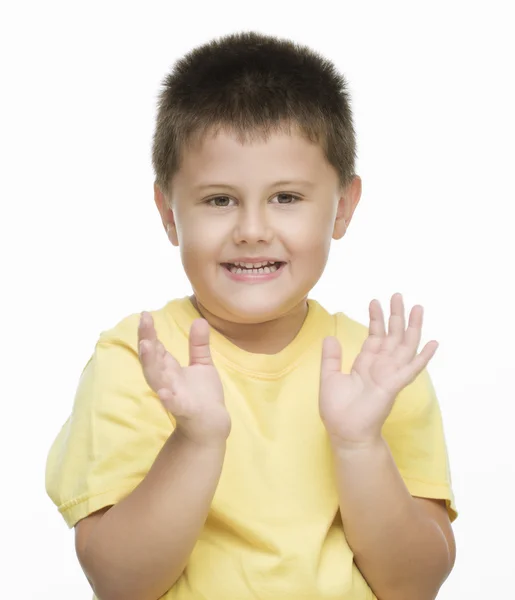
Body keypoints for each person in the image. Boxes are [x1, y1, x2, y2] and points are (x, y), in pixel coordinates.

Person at [45, 31, 457, 600]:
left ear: (344, 206)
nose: (252, 230)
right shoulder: (137, 361)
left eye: (286, 197)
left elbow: (413, 585)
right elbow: (120, 583)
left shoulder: (379, 368)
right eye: (219, 200)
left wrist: (361, 444)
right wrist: (195, 441)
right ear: (169, 213)